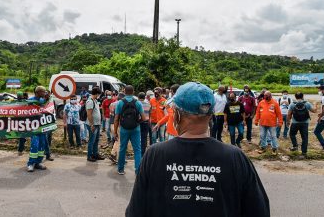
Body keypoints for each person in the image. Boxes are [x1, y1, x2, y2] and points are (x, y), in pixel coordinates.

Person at [126, 82, 270, 217]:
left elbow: (135, 212)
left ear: (176, 115)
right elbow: (259, 210)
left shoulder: (155, 154)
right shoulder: (235, 157)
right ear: (210, 115)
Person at [114, 85, 145, 175]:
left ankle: (120, 169)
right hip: (135, 129)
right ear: (133, 91)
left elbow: (116, 119)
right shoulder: (138, 103)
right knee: (137, 149)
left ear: (124, 91)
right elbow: (144, 117)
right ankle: (137, 170)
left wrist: (115, 132)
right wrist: (138, 122)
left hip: (124, 129)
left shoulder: (120, 103)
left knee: (122, 149)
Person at [287, 92, 317, 158]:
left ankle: (295, 146)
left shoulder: (292, 104)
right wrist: (315, 104)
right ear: (303, 96)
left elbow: (289, 114)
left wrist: (288, 121)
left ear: (295, 97)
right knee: (304, 138)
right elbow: (314, 111)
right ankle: (304, 153)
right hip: (305, 123)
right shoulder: (307, 103)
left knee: (292, 134)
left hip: (295, 123)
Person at [27, 86, 48, 172]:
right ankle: (31, 164)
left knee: (41, 145)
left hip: (42, 126)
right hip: (34, 127)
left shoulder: (43, 100)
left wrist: (47, 100)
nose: (44, 93)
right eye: (43, 92)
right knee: (34, 145)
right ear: (38, 92)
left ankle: (38, 163)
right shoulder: (30, 101)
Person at [86, 87, 105, 162]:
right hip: (93, 124)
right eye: (99, 94)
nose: (99, 96)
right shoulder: (90, 101)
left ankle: (95, 154)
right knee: (92, 141)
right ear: (97, 94)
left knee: (96, 140)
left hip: (97, 124)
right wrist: (92, 125)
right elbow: (89, 114)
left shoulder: (95, 100)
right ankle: (89, 156)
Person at [138, 92, 151, 156]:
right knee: (144, 137)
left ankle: (138, 151)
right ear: (144, 97)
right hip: (146, 122)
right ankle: (143, 152)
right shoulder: (148, 104)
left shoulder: (137, 104)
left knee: (138, 137)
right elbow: (149, 114)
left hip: (138, 122)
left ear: (138, 97)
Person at [43, 90, 54, 161]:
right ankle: (47, 154)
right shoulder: (41, 102)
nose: (47, 96)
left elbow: (53, 111)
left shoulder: (51, 102)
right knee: (46, 139)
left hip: (50, 122)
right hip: (43, 123)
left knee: (49, 138)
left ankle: (47, 151)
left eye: (48, 95)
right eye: (46, 95)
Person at [16, 91, 28, 156]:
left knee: (22, 137)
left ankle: (21, 149)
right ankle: (20, 151)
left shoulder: (15, 103)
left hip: (18, 122)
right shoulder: (25, 103)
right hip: (23, 122)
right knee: (22, 137)